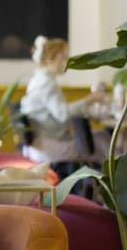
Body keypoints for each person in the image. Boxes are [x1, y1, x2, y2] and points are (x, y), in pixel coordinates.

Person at [19, 36, 110, 169]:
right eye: (63, 58)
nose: (66, 62)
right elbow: (62, 114)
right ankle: (114, 177)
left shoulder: (37, 80)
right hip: (48, 148)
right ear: (50, 59)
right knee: (102, 140)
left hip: (36, 146)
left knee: (99, 136)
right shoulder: (47, 84)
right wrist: (89, 100)